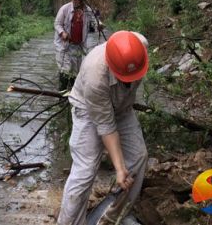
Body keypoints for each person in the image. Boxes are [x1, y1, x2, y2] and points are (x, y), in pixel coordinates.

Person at [57, 30, 149, 225]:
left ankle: (111, 218)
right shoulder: (95, 75)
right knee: (86, 169)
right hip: (88, 111)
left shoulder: (140, 47)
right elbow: (106, 126)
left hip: (122, 108)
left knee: (139, 157)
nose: (131, 80)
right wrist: (119, 167)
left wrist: (124, 169)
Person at [54, 0, 103, 91]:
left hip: (78, 47)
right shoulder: (65, 9)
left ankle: (72, 95)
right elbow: (57, 24)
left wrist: (99, 25)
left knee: (76, 72)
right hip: (64, 46)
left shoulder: (88, 11)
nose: (74, 1)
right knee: (66, 70)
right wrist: (62, 33)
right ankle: (61, 96)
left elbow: (94, 22)